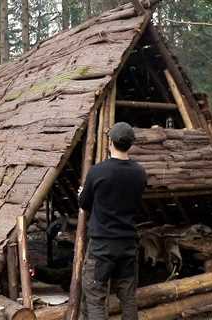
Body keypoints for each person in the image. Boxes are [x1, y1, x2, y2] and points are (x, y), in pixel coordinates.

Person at [79, 122, 147, 320]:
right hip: (128, 244)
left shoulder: (97, 172)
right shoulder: (139, 173)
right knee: (128, 298)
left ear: (110, 143)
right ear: (130, 144)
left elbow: (84, 204)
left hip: (102, 247)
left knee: (96, 298)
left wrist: (82, 193)